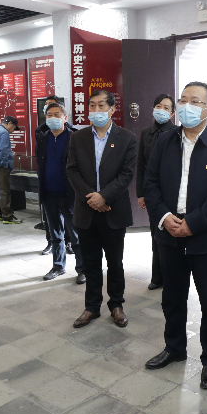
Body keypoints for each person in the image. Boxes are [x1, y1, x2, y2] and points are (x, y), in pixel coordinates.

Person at [143, 81, 207, 390]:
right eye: (183, 100)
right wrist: (163, 216)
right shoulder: (165, 140)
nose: (186, 106)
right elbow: (150, 183)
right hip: (169, 233)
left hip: (206, 237)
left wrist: (193, 223)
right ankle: (174, 348)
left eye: (194, 101)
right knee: (172, 298)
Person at [66, 90, 137, 329]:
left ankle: (116, 305)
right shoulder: (78, 137)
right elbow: (72, 170)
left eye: (101, 106)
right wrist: (92, 198)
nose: (96, 111)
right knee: (91, 263)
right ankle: (92, 306)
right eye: (92, 106)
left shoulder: (126, 138)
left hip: (113, 210)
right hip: (86, 210)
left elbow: (127, 174)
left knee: (115, 262)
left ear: (112, 109)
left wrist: (104, 196)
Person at [36, 103, 84, 284]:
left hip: (69, 194)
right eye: (49, 115)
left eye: (57, 114)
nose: (52, 118)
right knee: (55, 234)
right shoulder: (43, 138)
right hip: (48, 193)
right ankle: (58, 266)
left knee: (75, 234)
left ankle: (82, 268)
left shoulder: (75, 138)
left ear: (65, 117)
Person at [136, 93, 177, 290]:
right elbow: (141, 165)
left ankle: (171, 276)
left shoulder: (177, 132)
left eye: (166, 108)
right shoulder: (146, 133)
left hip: (172, 192)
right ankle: (157, 277)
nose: (162, 110)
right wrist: (141, 193)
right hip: (152, 192)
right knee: (155, 235)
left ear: (172, 113)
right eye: (159, 106)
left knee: (171, 235)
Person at [0, 116, 21, 224]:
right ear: (10, 123)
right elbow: (3, 151)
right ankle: (7, 216)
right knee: (4, 191)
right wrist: (5, 165)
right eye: (14, 128)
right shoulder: (4, 132)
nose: (13, 131)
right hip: (0, 166)